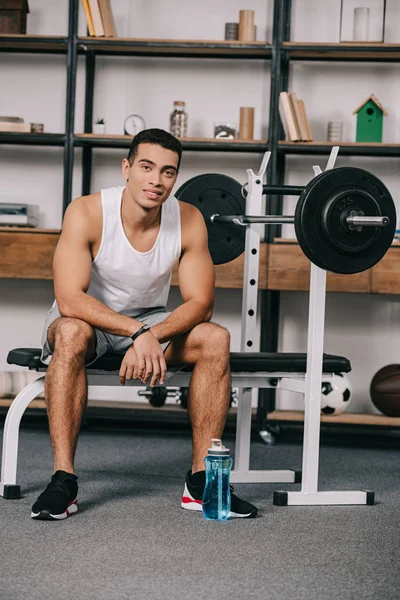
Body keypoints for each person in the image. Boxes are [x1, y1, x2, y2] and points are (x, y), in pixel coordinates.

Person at [31, 128, 258, 521]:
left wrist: (151, 333)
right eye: (147, 167)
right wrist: (136, 333)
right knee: (69, 331)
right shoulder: (86, 211)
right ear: (127, 168)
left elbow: (201, 303)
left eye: (168, 172)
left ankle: (202, 481)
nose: (156, 180)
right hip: (90, 319)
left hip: (151, 324)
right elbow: (70, 298)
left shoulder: (188, 219)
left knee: (216, 339)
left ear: (176, 178)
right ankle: (63, 480)